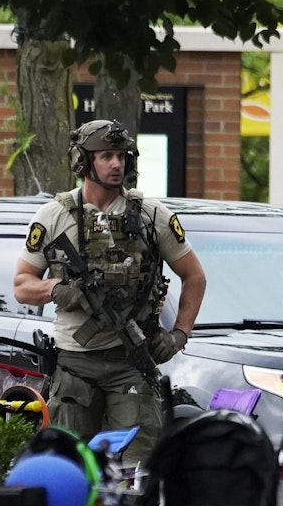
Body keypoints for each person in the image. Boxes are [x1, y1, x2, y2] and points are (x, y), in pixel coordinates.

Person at [13, 119, 206, 465]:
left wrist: (179, 334)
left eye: (121, 156)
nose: (116, 164)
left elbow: (194, 276)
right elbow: (22, 284)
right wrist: (57, 290)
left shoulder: (151, 216)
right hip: (75, 362)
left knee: (138, 468)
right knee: (68, 463)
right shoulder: (54, 216)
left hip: (132, 362)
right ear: (83, 162)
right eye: (105, 156)